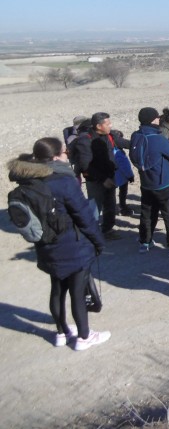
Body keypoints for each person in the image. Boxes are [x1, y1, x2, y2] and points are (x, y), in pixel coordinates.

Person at [8, 137, 109, 350]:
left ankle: (61, 332)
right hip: (72, 245)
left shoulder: (27, 181)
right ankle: (84, 337)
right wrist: (99, 242)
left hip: (46, 245)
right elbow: (84, 217)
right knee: (78, 292)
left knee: (57, 289)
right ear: (55, 157)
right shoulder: (63, 182)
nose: (67, 155)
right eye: (65, 152)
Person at [130, 107, 169, 257]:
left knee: (147, 213)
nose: (159, 120)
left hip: (146, 183)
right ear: (153, 120)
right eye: (157, 118)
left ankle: (145, 242)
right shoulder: (158, 139)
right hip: (163, 182)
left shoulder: (136, 136)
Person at [69, 112, 130, 239]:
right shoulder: (85, 140)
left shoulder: (108, 136)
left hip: (110, 176)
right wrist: (103, 179)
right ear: (98, 126)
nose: (111, 125)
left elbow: (123, 144)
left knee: (110, 204)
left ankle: (107, 230)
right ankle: (91, 234)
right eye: (108, 123)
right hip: (96, 180)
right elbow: (86, 165)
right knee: (94, 207)